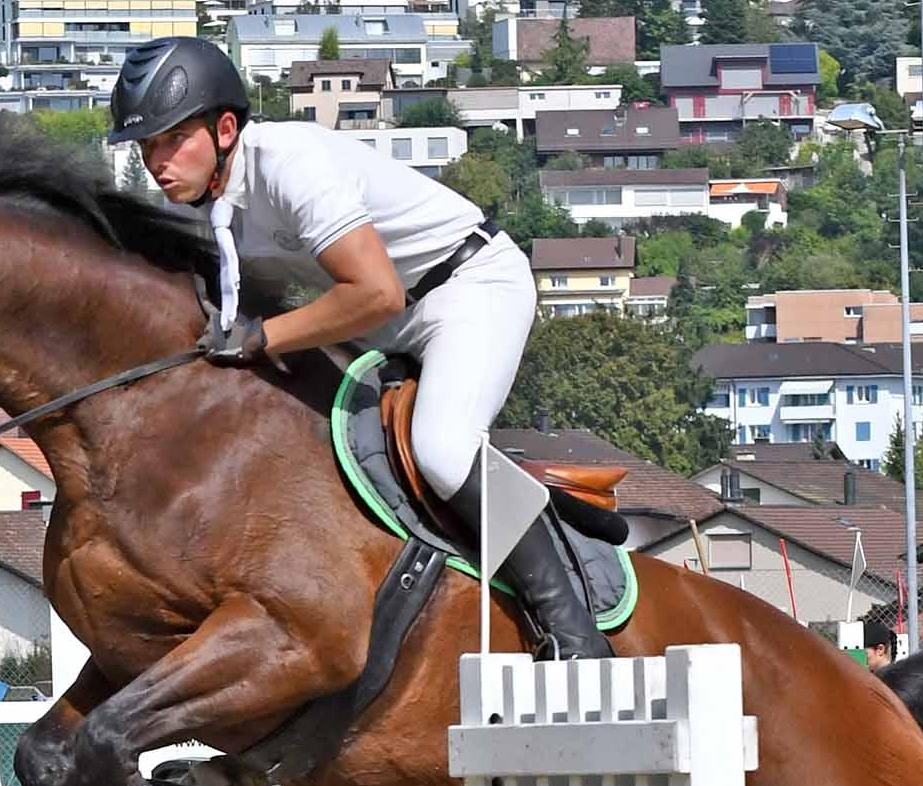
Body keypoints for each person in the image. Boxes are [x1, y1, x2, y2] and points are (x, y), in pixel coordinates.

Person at [109, 35, 608, 660]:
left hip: (466, 288)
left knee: (443, 449)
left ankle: (572, 630)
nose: (158, 162)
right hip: (379, 322)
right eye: (147, 146)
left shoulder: (288, 164)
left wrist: (262, 337)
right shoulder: (215, 206)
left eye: (171, 140)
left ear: (226, 128)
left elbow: (376, 293)